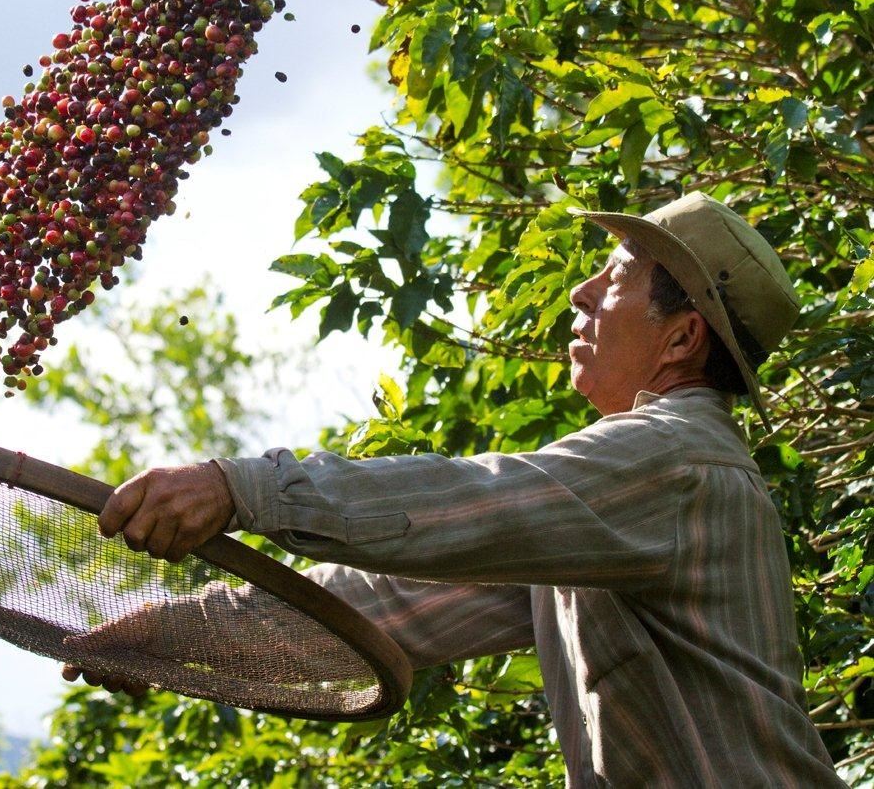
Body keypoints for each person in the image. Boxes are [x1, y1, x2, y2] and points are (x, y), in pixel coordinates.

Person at [63, 193, 845, 786]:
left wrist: (242, 488)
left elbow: (468, 498)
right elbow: (383, 610)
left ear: (682, 336)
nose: (580, 291)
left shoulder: (674, 461)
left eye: (615, 277)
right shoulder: (615, 504)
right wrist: (177, 636)